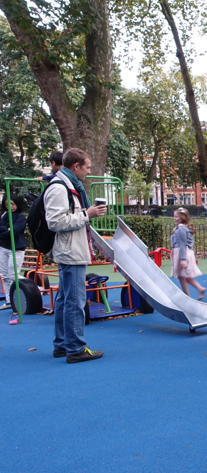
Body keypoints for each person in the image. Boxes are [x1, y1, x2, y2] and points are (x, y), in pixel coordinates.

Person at [44, 148, 107, 362]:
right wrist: (86, 214)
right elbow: (55, 222)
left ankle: (62, 344)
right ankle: (75, 348)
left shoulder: (70, 186)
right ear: (76, 166)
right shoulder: (59, 187)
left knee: (64, 299)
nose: (88, 172)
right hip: (70, 252)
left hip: (72, 250)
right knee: (74, 301)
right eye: (87, 168)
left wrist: (88, 214)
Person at [171, 207, 206, 300]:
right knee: (183, 275)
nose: (174, 218)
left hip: (182, 253)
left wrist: (183, 259)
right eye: (174, 216)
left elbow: (182, 244)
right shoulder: (182, 228)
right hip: (184, 252)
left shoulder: (181, 229)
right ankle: (198, 289)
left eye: (176, 217)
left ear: (182, 217)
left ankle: (187, 296)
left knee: (181, 276)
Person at [0, 194, 28, 311]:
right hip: (3, 247)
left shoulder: (20, 217)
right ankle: (9, 300)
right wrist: (6, 229)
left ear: (17, 203)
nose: (10, 206)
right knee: (5, 275)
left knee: (13, 274)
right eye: (7, 204)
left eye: (12, 203)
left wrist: (6, 230)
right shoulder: (3, 215)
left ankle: (34, 288)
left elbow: (15, 231)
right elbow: (5, 229)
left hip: (16, 248)